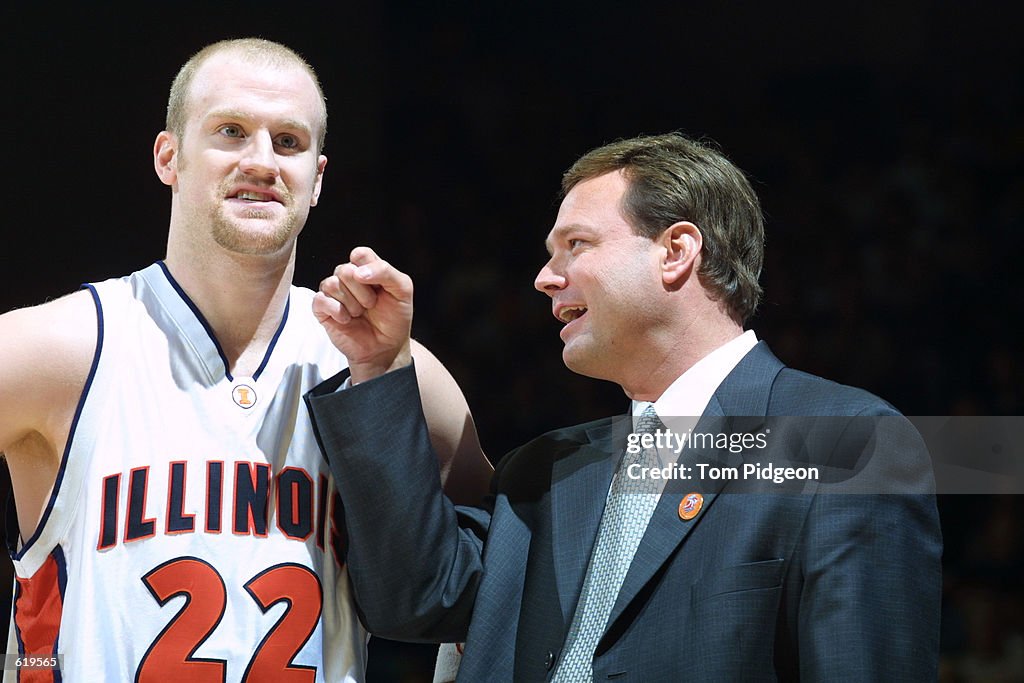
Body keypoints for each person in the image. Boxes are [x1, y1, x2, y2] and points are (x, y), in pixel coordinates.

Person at [306, 133, 943, 680]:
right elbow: (410, 602)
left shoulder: (844, 443)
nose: (544, 277)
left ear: (676, 252)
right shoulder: (543, 471)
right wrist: (378, 367)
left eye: (576, 244)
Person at [0, 38, 490, 682]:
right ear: (169, 157)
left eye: (288, 142)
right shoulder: (59, 348)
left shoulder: (395, 371)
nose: (261, 161)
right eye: (231, 132)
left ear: (316, 178)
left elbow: (491, 579)